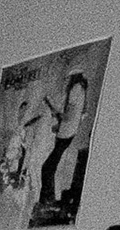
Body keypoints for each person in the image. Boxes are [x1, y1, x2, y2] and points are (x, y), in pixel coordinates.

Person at [36, 72, 87, 220]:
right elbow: (73, 116)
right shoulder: (81, 91)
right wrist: (59, 124)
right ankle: (47, 200)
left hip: (65, 135)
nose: (67, 82)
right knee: (49, 167)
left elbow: (67, 116)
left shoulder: (75, 90)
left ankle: (47, 201)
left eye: (69, 79)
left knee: (47, 168)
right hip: (67, 133)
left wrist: (51, 104)